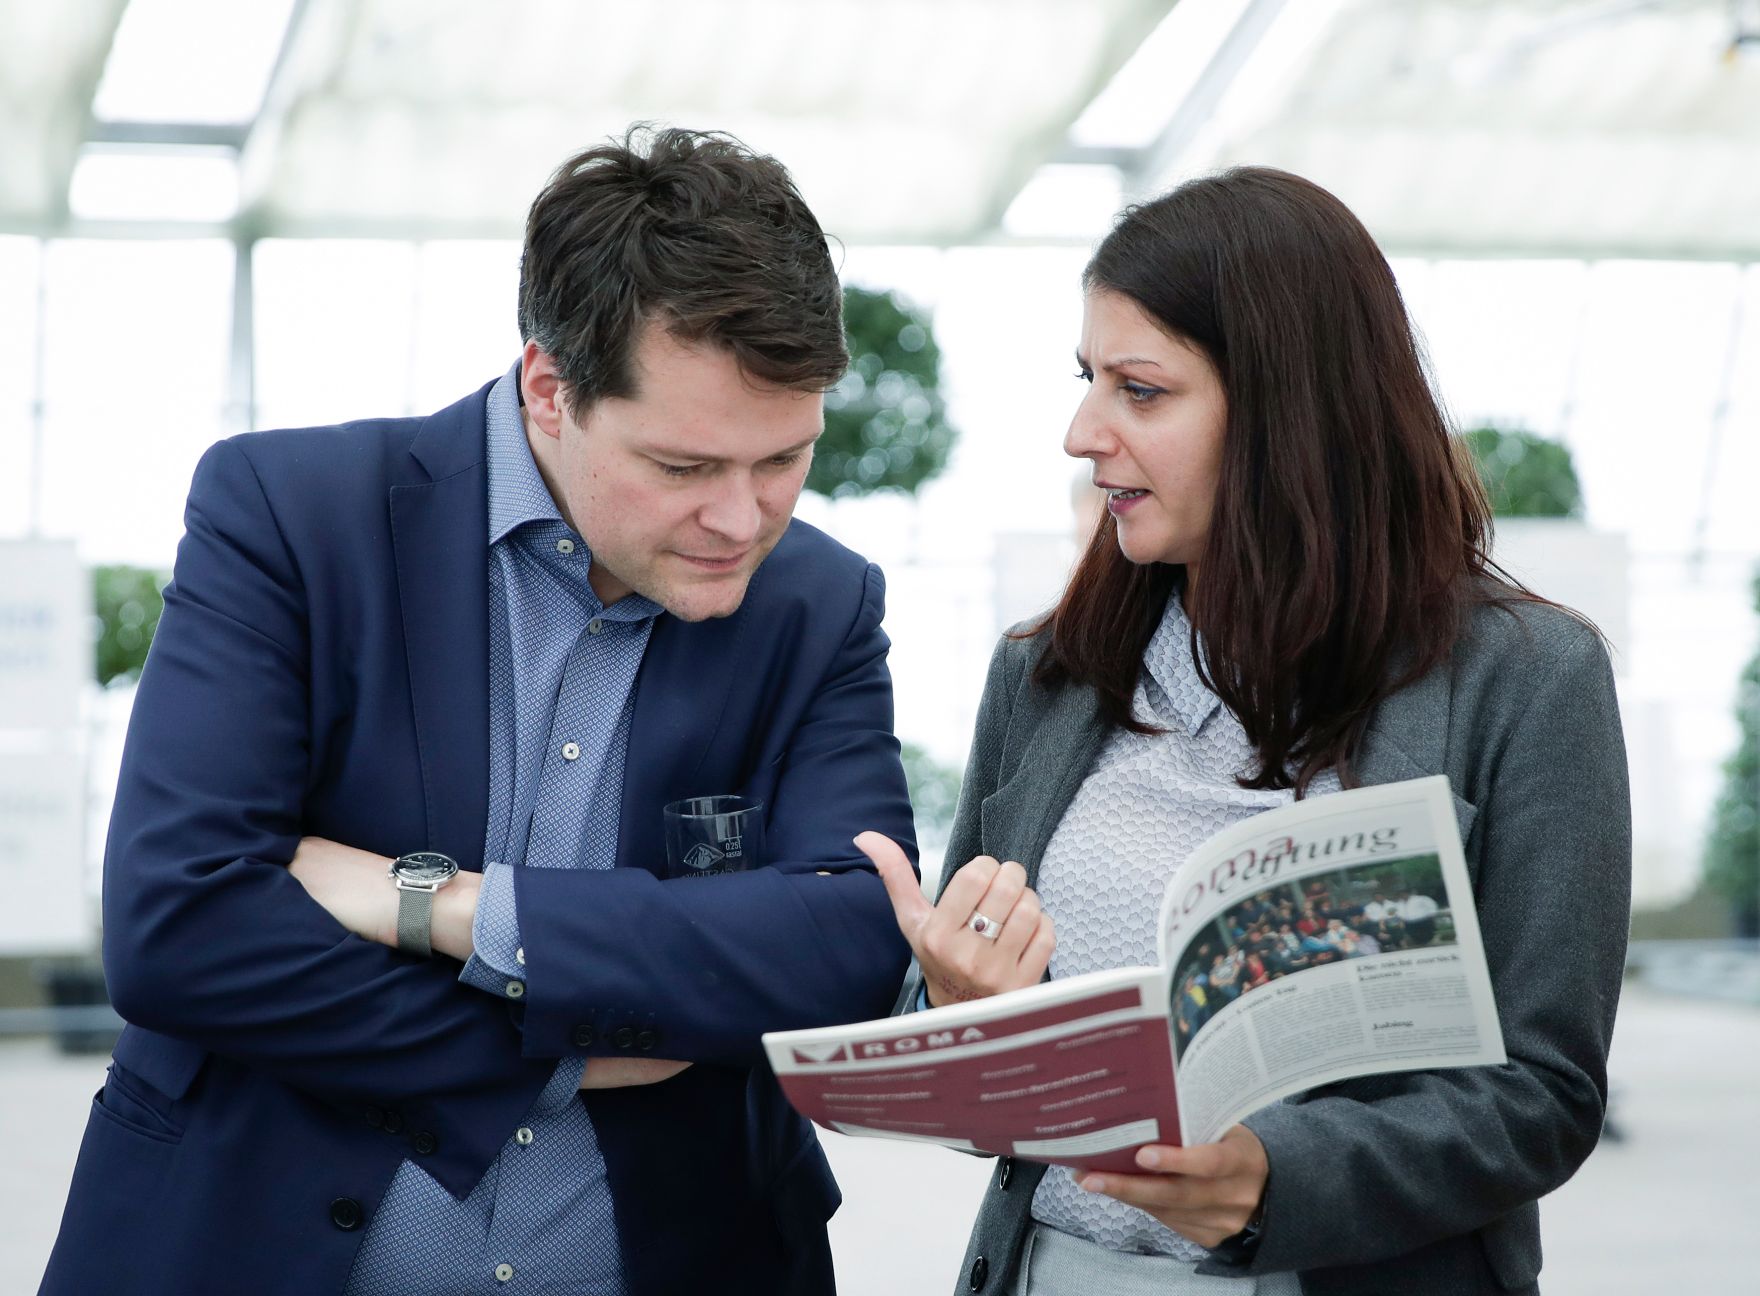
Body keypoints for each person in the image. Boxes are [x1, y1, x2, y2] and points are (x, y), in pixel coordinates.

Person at [41, 127, 917, 1296]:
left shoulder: (818, 603)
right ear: (549, 388)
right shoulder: (293, 519)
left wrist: (447, 910)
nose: (741, 519)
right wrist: (568, 1044)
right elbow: (179, 931)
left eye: (783, 460)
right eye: (681, 466)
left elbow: (850, 948)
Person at [858, 167, 1629, 1295]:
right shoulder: (1044, 676)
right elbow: (973, 1061)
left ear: (1284, 409)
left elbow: (1541, 1099)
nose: (1081, 433)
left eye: (1140, 390)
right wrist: (963, 1017)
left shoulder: (1525, 680)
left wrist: (1272, 1176)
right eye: (1086, 380)